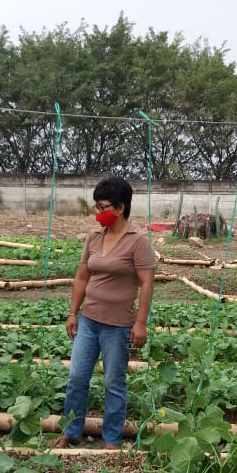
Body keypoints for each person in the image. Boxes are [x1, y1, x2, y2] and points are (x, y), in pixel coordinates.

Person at [54, 177, 155, 449]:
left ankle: (111, 439)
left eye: (103, 207)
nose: (99, 214)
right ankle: (71, 431)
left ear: (120, 208)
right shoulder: (94, 236)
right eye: (96, 208)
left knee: (114, 382)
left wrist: (141, 323)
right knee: (76, 378)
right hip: (88, 320)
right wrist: (72, 313)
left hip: (118, 325)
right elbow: (82, 277)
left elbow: (147, 282)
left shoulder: (138, 240)